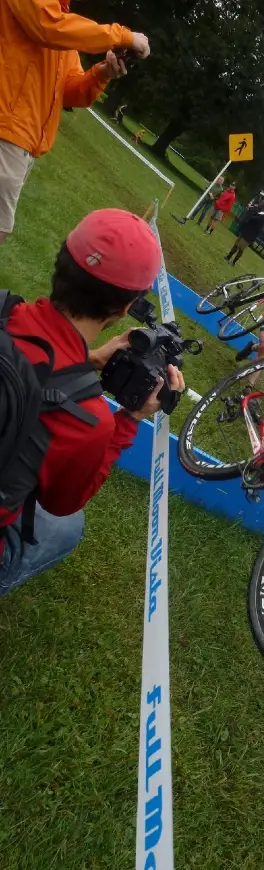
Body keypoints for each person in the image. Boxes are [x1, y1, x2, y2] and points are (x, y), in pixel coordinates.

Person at [0, 209, 185, 596]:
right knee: (67, 525)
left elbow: (30, 358)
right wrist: (131, 417)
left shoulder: (4, 309)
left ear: (62, 260)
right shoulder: (86, 419)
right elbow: (64, 501)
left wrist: (86, 361)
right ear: (123, 310)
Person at [0, 0, 150, 245]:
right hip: (7, 130)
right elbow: (47, 26)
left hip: (23, 144)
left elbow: (68, 91)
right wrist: (122, 36)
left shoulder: (61, 20)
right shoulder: (53, 20)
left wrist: (103, 73)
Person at [224, 198, 264, 266]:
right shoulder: (260, 213)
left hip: (249, 236)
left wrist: (254, 208)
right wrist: (253, 208)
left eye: (261, 203)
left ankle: (234, 262)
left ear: (263, 206)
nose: (259, 204)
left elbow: (252, 218)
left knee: (240, 248)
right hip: (246, 231)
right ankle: (228, 257)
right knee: (236, 244)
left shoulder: (262, 216)